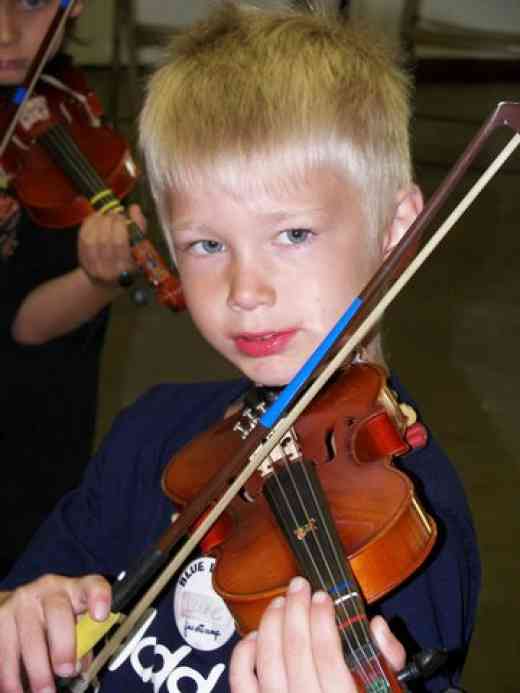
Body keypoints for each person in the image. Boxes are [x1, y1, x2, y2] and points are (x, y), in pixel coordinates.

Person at [0, 3, 480, 692]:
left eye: (292, 234)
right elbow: (24, 602)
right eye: (206, 244)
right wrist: (26, 615)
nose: (244, 288)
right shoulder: (154, 435)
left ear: (396, 229)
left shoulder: (414, 518)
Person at [0, 0, 142, 576]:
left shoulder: (70, 102)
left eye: (32, 3)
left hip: (31, 418)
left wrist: (97, 278)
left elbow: (26, 324)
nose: (6, 33)